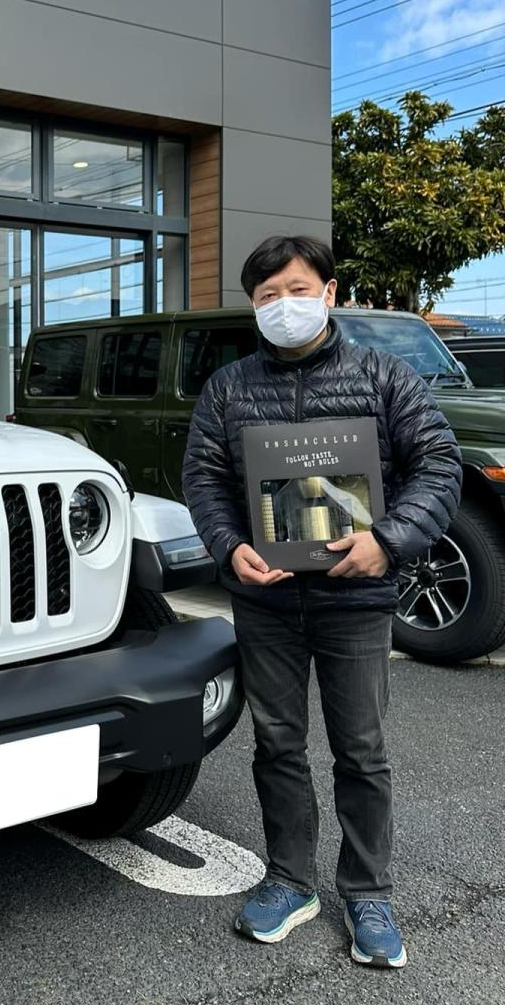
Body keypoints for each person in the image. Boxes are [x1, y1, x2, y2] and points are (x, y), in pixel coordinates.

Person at [182, 235, 461, 968]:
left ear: (330, 293)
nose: (284, 306)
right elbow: (204, 478)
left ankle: (368, 892)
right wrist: (228, 547)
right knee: (277, 744)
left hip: (356, 598)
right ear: (253, 305)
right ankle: (290, 879)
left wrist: (389, 541)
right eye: (267, 296)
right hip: (265, 599)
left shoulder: (385, 376)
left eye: (298, 290)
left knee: (361, 750)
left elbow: (439, 464)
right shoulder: (229, 388)